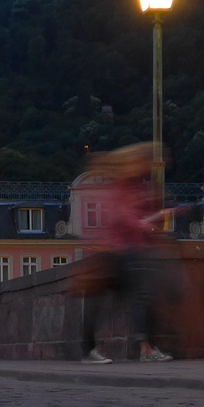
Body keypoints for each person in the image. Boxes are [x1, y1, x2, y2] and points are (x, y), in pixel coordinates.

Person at [79, 142, 175, 364]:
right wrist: (147, 222)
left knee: (137, 299)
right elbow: (121, 216)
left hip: (128, 251)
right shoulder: (121, 187)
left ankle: (144, 347)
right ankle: (95, 349)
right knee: (128, 300)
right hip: (117, 252)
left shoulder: (135, 186)